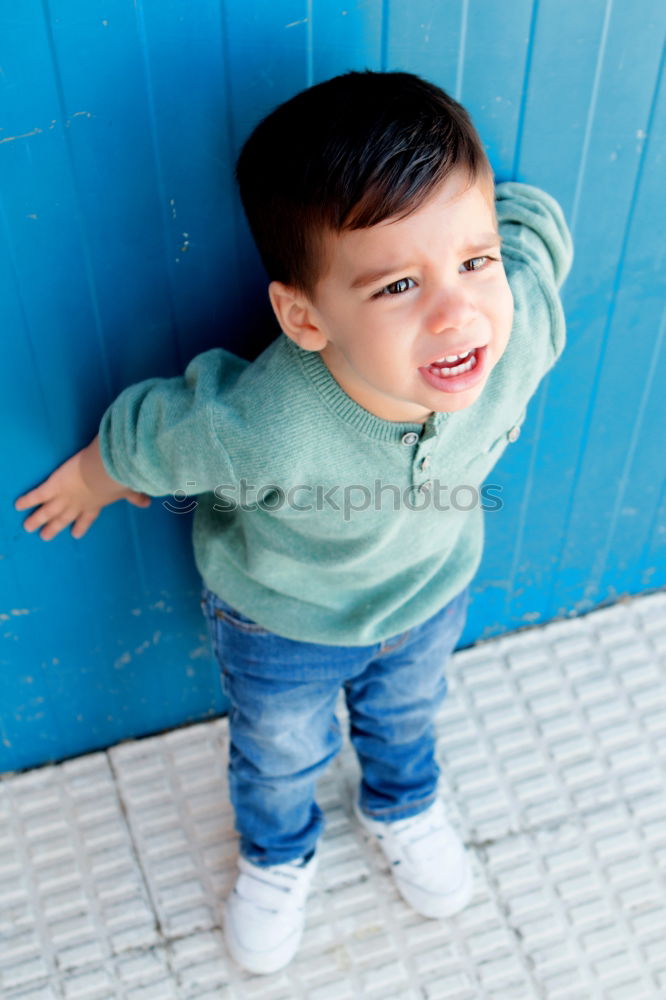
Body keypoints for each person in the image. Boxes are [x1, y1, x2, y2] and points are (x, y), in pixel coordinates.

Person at [14, 70, 573, 975]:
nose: (457, 310)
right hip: (282, 623)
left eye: (474, 262)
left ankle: (401, 801)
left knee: (410, 713)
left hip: (430, 591)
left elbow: (537, 231)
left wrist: (503, 234)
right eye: (398, 285)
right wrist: (95, 473)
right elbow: (166, 433)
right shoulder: (267, 425)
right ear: (305, 318)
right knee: (279, 752)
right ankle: (277, 856)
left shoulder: (521, 331)